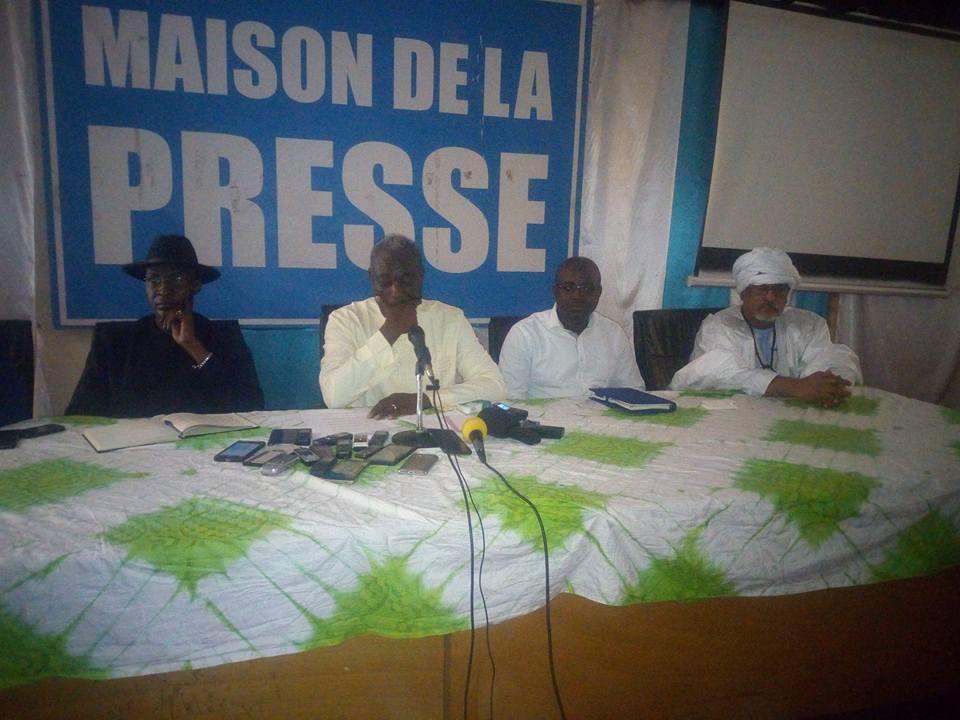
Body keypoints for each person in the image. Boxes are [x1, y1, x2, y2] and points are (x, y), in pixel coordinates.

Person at [66, 234, 264, 417]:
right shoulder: (114, 341)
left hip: (202, 441)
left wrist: (194, 347)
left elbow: (250, 406)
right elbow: (80, 414)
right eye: (154, 279)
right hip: (133, 443)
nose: (163, 289)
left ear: (195, 285)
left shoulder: (224, 337)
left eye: (175, 278)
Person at [319, 234, 506, 418]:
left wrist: (425, 399)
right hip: (370, 430)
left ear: (420, 276)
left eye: (406, 281)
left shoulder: (451, 319)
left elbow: (495, 386)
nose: (395, 291)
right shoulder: (346, 320)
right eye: (385, 281)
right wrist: (389, 332)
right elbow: (334, 397)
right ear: (372, 277)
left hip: (436, 432)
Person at [669, 247, 861, 406]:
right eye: (762, 289)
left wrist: (829, 384)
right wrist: (795, 387)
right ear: (743, 293)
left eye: (779, 290)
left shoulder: (809, 324)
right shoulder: (719, 326)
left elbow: (828, 358)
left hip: (792, 414)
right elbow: (718, 372)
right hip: (736, 416)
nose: (771, 298)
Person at [498, 256, 645, 398]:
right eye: (568, 288)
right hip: (546, 415)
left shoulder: (614, 335)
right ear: (555, 291)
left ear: (598, 293)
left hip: (601, 414)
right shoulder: (525, 334)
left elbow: (633, 393)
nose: (577, 296)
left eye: (587, 288)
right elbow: (511, 399)